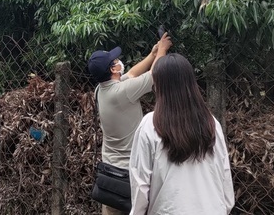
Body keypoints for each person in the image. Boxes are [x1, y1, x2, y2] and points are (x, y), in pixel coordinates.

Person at [128, 53, 234, 215]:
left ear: (158, 85)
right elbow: (224, 173)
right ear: (191, 83)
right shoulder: (211, 123)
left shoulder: (150, 125)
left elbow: (140, 184)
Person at [88, 34, 171, 215]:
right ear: (113, 69)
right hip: (129, 177)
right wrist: (163, 50)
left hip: (110, 175)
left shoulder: (101, 90)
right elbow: (154, 75)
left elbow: (132, 74)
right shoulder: (122, 92)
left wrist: (152, 54)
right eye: (115, 60)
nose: (119, 61)